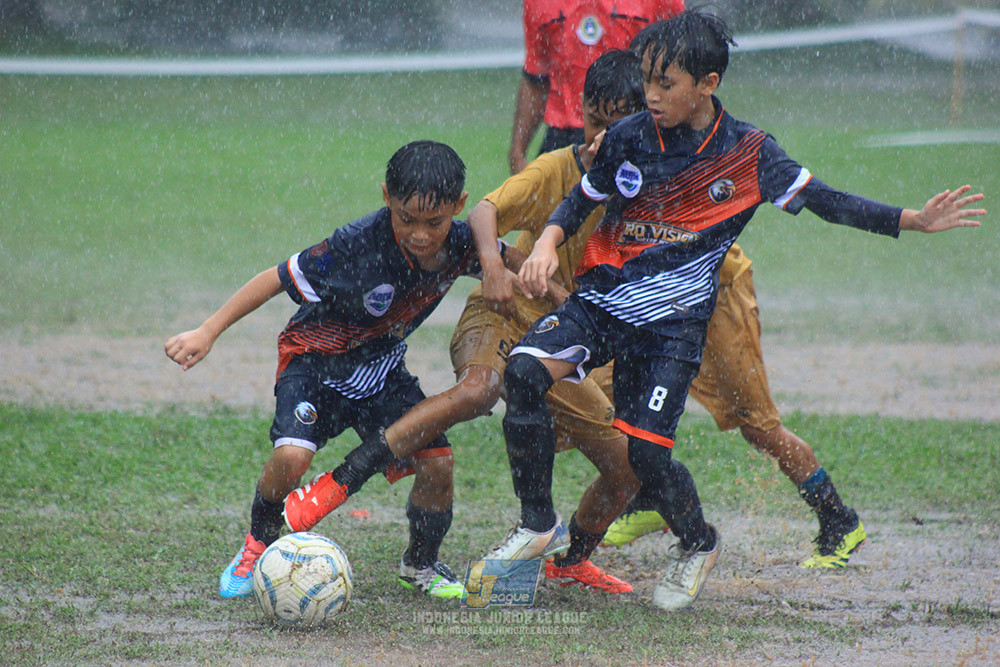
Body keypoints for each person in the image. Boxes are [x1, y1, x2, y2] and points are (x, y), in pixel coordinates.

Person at [501, 9, 985, 612]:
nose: (649, 96)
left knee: (649, 454)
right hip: (601, 303)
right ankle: (537, 525)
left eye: (665, 84)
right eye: (646, 81)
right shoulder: (626, 137)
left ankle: (699, 543)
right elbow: (583, 199)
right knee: (521, 372)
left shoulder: (748, 152)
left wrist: (910, 220)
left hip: (672, 326)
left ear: (708, 83)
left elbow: (825, 201)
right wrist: (546, 241)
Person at [283, 50, 650, 594]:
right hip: (507, 314)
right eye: (595, 123)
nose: (602, 140)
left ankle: (569, 561)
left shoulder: (660, 187)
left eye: (618, 127)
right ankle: (341, 482)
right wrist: (495, 270)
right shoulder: (558, 169)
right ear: (581, 114)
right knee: (479, 390)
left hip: (569, 340)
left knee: (628, 468)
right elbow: (483, 212)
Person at [165, 141, 519, 600]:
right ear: (386, 196)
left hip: (380, 370)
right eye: (405, 218)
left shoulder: (459, 245)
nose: (420, 234)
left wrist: (535, 283)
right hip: (314, 362)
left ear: (458, 206)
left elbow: (521, 265)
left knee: (439, 464)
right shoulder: (355, 244)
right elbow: (276, 277)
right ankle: (258, 540)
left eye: (433, 222)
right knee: (292, 457)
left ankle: (420, 563)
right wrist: (207, 331)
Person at [509, 0, 684, 174]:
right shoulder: (538, 3)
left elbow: (680, 71)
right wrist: (517, 153)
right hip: (564, 138)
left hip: (636, 131)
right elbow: (535, 78)